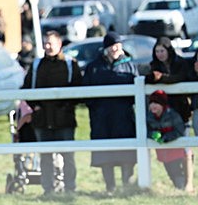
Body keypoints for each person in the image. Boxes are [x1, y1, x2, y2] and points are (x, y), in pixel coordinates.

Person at [22, 30, 83, 195]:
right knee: (46, 157)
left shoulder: (71, 64)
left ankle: (70, 188)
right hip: (42, 119)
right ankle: (47, 189)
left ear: (59, 44)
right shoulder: (36, 65)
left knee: (68, 156)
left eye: (51, 43)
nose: (47, 47)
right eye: (45, 43)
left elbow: (79, 90)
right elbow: (26, 89)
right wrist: (36, 106)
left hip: (65, 118)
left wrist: (66, 106)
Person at [82, 32, 138, 194]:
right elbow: (86, 93)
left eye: (118, 45)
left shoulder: (129, 66)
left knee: (127, 154)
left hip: (124, 117)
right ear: (106, 48)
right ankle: (110, 187)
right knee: (105, 155)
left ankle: (126, 186)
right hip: (102, 118)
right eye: (112, 45)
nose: (115, 48)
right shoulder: (94, 67)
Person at [146, 89, 192, 191]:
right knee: (169, 169)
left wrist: (166, 137)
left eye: (157, 103)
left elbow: (179, 131)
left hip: (174, 147)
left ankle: (182, 187)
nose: (153, 106)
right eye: (151, 103)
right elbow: (147, 130)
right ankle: (178, 186)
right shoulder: (149, 116)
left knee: (176, 168)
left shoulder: (173, 115)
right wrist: (153, 135)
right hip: (163, 150)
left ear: (163, 105)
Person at [145, 36, 191, 123]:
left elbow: (180, 77)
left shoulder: (181, 63)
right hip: (162, 107)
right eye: (157, 51)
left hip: (180, 105)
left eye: (162, 51)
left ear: (168, 51)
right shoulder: (153, 65)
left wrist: (161, 77)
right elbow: (149, 79)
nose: (159, 54)